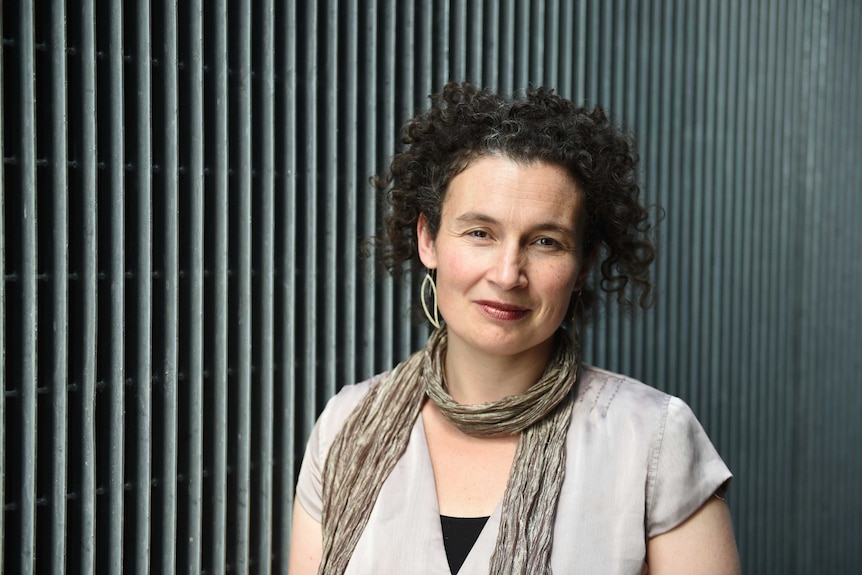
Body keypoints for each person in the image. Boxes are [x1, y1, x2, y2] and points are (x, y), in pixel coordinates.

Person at [288, 81, 740, 574]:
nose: (507, 274)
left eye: (545, 242)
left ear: (584, 263)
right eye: (480, 233)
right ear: (428, 239)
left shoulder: (652, 441)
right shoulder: (346, 427)